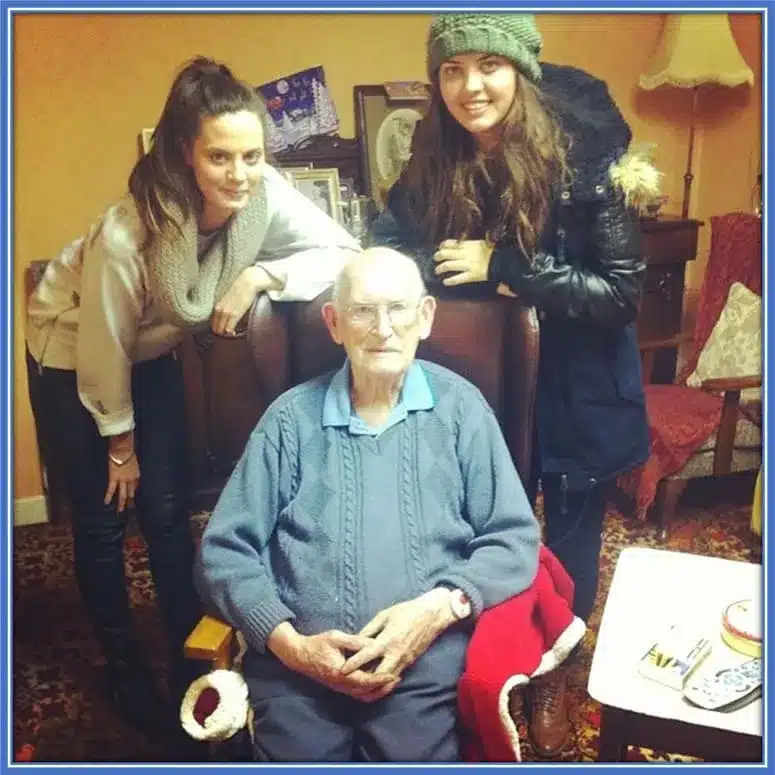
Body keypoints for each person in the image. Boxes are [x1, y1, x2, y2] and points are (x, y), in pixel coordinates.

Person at [24, 56, 359, 737]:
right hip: (70, 352)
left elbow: (342, 248)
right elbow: (102, 345)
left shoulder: (260, 193)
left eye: (251, 155)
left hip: (149, 353)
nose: (239, 173)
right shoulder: (129, 229)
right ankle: (123, 662)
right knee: (102, 519)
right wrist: (120, 445)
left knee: (169, 510)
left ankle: (187, 649)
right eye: (219, 157)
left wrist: (260, 273)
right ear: (184, 153)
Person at [369, 13, 653, 757]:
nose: (470, 86)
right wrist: (435, 267)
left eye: (487, 66)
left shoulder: (587, 152)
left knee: (566, 541)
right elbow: (389, 241)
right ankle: (488, 668)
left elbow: (621, 293)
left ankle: (552, 672)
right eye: (452, 69)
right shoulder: (433, 151)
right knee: (486, 532)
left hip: (579, 387)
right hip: (483, 386)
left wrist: (505, 266)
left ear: (520, 70)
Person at [194, 247, 542, 762]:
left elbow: (514, 538)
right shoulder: (288, 421)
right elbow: (223, 553)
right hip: (298, 679)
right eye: (363, 310)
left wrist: (436, 610)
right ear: (334, 324)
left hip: (422, 671)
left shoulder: (463, 410)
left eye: (399, 308)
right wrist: (293, 647)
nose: (383, 328)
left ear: (425, 318)